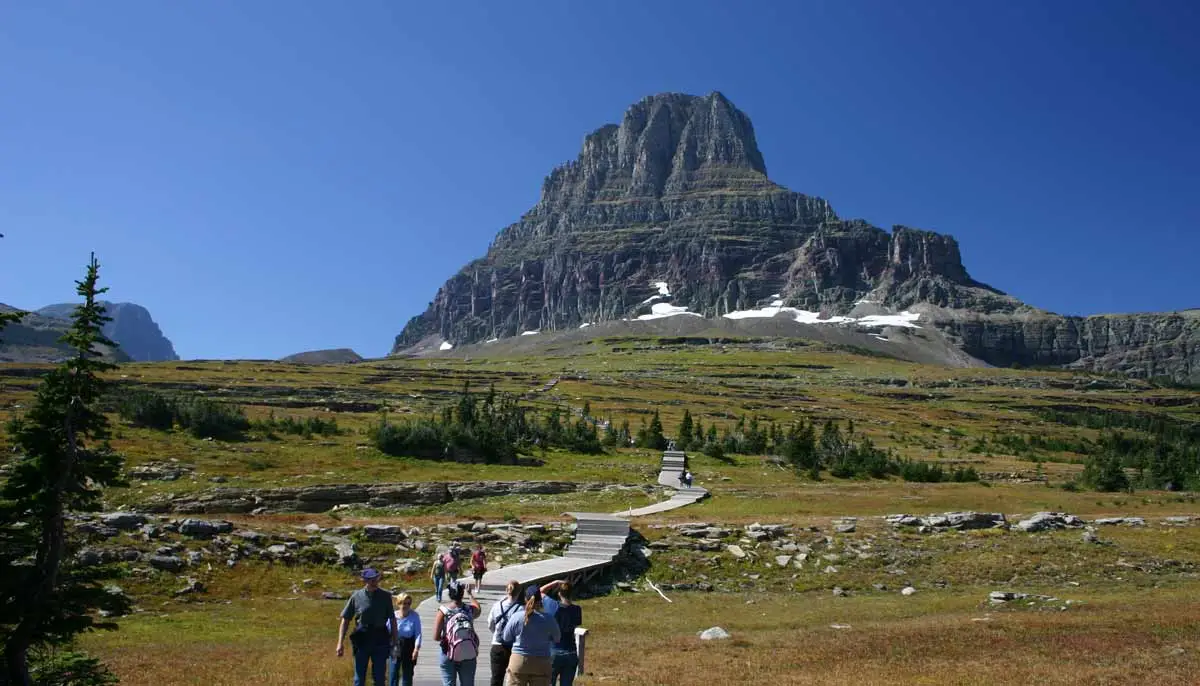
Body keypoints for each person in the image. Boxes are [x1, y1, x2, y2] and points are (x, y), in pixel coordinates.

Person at [337, 568, 397, 686]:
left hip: (380, 638)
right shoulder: (356, 596)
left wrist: (395, 642)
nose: (375, 582)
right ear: (365, 581)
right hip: (362, 638)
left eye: (376, 579)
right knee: (359, 678)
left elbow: (392, 619)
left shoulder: (385, 596)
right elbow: (345, 620)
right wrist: (340, 643)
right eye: (372, 580)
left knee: (379, 677)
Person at [500, 584, 561, 686]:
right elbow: (557, 638)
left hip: (519, 660)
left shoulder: (517, 617)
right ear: (541, 600)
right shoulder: (549, 619)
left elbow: (506, 637)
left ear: (525, 598)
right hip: (541, 661)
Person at [433, 580, 481, 686]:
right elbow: (478, 608)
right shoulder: (469, 610)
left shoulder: (443, 611)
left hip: (448, 653)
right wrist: (470, 594)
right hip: (468, 653)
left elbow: (436, 637)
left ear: (449, 594)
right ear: (462, 593)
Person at [486, 580, 526, 686]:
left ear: (506, 590)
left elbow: (490, 624)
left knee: (496, 678)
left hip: (497, 645)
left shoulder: (497, 606)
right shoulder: (521, 609)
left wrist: (496, 633)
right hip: (514, 648)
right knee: (513, 679)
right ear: (519, 592)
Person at [549, 583, 583, 686]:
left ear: (559, 593)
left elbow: (540, 592)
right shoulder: (577, 609)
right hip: (571, 652)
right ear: (572, 593)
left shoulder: (553, 606)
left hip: (554, 650)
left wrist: (554, 582)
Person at [389, 593, 421, 686]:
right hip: (395, 645)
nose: (405, 606)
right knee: (393, 672)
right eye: (403, 603)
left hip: (408, 646)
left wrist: (416, 649)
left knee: (408, 674)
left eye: (408, 603)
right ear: (398, 604)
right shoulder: (393, 616)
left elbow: (418, 633)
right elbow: (387, 630)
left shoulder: (414, 616)